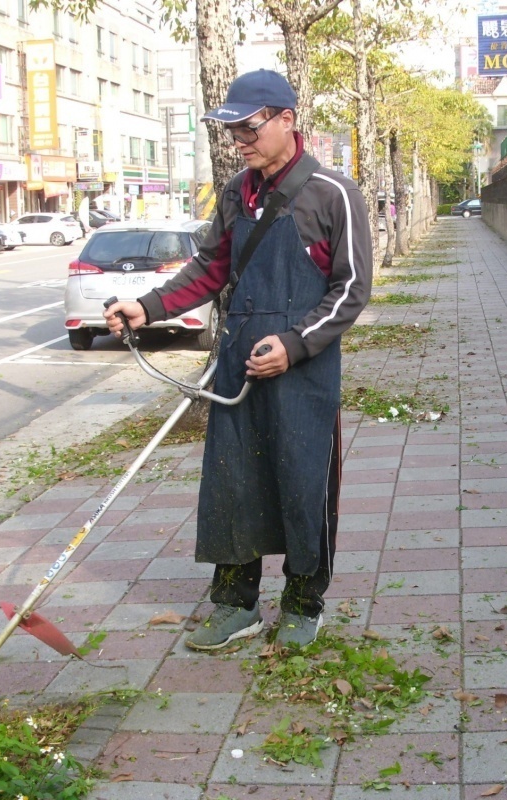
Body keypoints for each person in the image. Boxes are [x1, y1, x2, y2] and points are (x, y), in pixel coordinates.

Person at [104, 69, 372, 650]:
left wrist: (296, 345)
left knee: (304, 485)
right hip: (237, 362)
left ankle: (304, 602)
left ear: (286, 120)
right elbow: (211, 268)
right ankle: (235, 604)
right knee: (233, 484)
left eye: (249, 127)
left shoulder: (334, 194)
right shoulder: (235, 193)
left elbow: (350, 289)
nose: (240, 141)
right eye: (231, 131)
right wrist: (147, 307)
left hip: (303, 370)